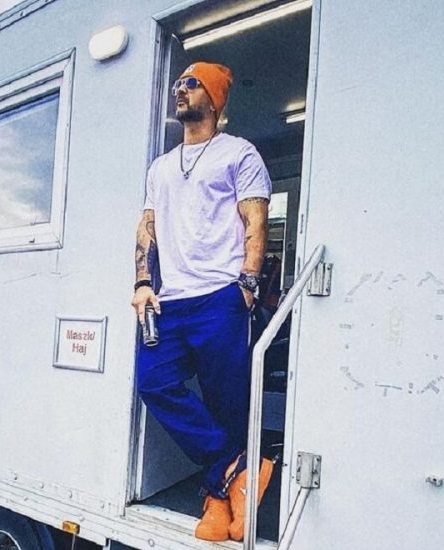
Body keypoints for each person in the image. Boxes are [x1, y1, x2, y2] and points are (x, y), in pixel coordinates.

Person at [131, 61, 274, 542]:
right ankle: (239, 468)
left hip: (220, 297)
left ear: (213, 100)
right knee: (153, 382)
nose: (180, 89)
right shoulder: (161, 167)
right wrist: (143, 282)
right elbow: (147, 227)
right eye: (179, 83)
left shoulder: (239, 153)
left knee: (226, 404)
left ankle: (219, 500)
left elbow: (256, 221)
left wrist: (247, 284)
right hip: (170, 301)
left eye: (191, 84)